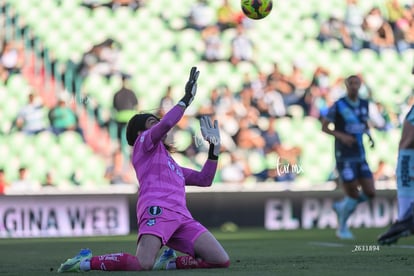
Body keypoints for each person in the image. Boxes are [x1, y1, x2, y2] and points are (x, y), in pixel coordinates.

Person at [57, 67, 230, 272]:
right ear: (140, 131)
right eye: (152, 122)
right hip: (157, 209)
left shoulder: (172, 165)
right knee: (142, 263)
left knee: (220, 260)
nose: (157, 126)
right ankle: (85, 262)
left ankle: (170, 263)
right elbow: (166, 124)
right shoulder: (142, 143)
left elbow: (205, 179)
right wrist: (185, 100)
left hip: (182, 217)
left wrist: (214, 149)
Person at [321, 75, 375, 240]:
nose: (354, 86)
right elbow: (325, 127)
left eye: (356, 83)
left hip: (360, 154)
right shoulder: (339, 105)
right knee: (352, 193)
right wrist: (341, 136)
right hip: (344, 156)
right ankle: (342, 227)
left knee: (370, 192)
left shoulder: (365, 104)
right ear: (346, 85)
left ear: (360, 85)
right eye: (351, 83)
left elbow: (364, 123)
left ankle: (341, 207)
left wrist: (370, 136)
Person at [378, 105, 414, 245]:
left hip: (406, 157)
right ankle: (403, 225)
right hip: (409, 158)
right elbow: (408, 140)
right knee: (405, 212)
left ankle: (403, 225)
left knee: (406, 212)